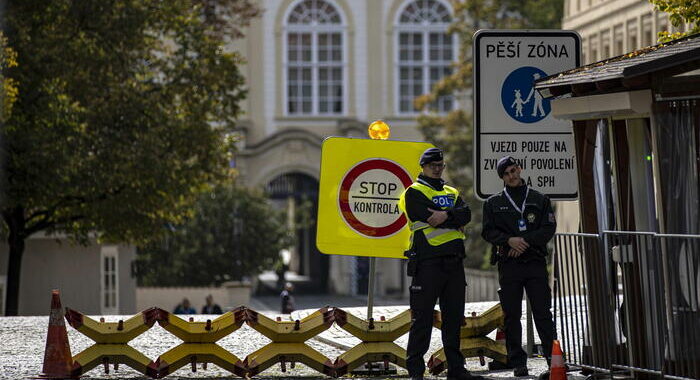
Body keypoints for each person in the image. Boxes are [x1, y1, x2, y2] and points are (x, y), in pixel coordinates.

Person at [397, 147, 483, 380]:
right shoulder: (413, 192)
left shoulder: (451, 191)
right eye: (433, 165)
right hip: (427, 263)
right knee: (422, 319)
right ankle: (416, 371)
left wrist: (443, 216)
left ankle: (456, 369)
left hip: (454, 263)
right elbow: (423, 215)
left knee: (453, 319)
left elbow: (465, 214)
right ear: (423, 167)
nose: (437, 169)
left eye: (440, 165)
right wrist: (451, 215)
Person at [481, 156, 556, 378]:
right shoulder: (493, 203)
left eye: (514, 170)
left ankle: (554, 361)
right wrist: (508, 241)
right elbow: (488, 232)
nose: (512, 176)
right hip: (509, 264)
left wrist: (523, 242)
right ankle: (518, 362)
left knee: (543, 313)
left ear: (520, 169)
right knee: (512, 315)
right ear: (502, 177)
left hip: (534, 263)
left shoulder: (539, 199)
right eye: (506, 173)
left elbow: (548, 228)